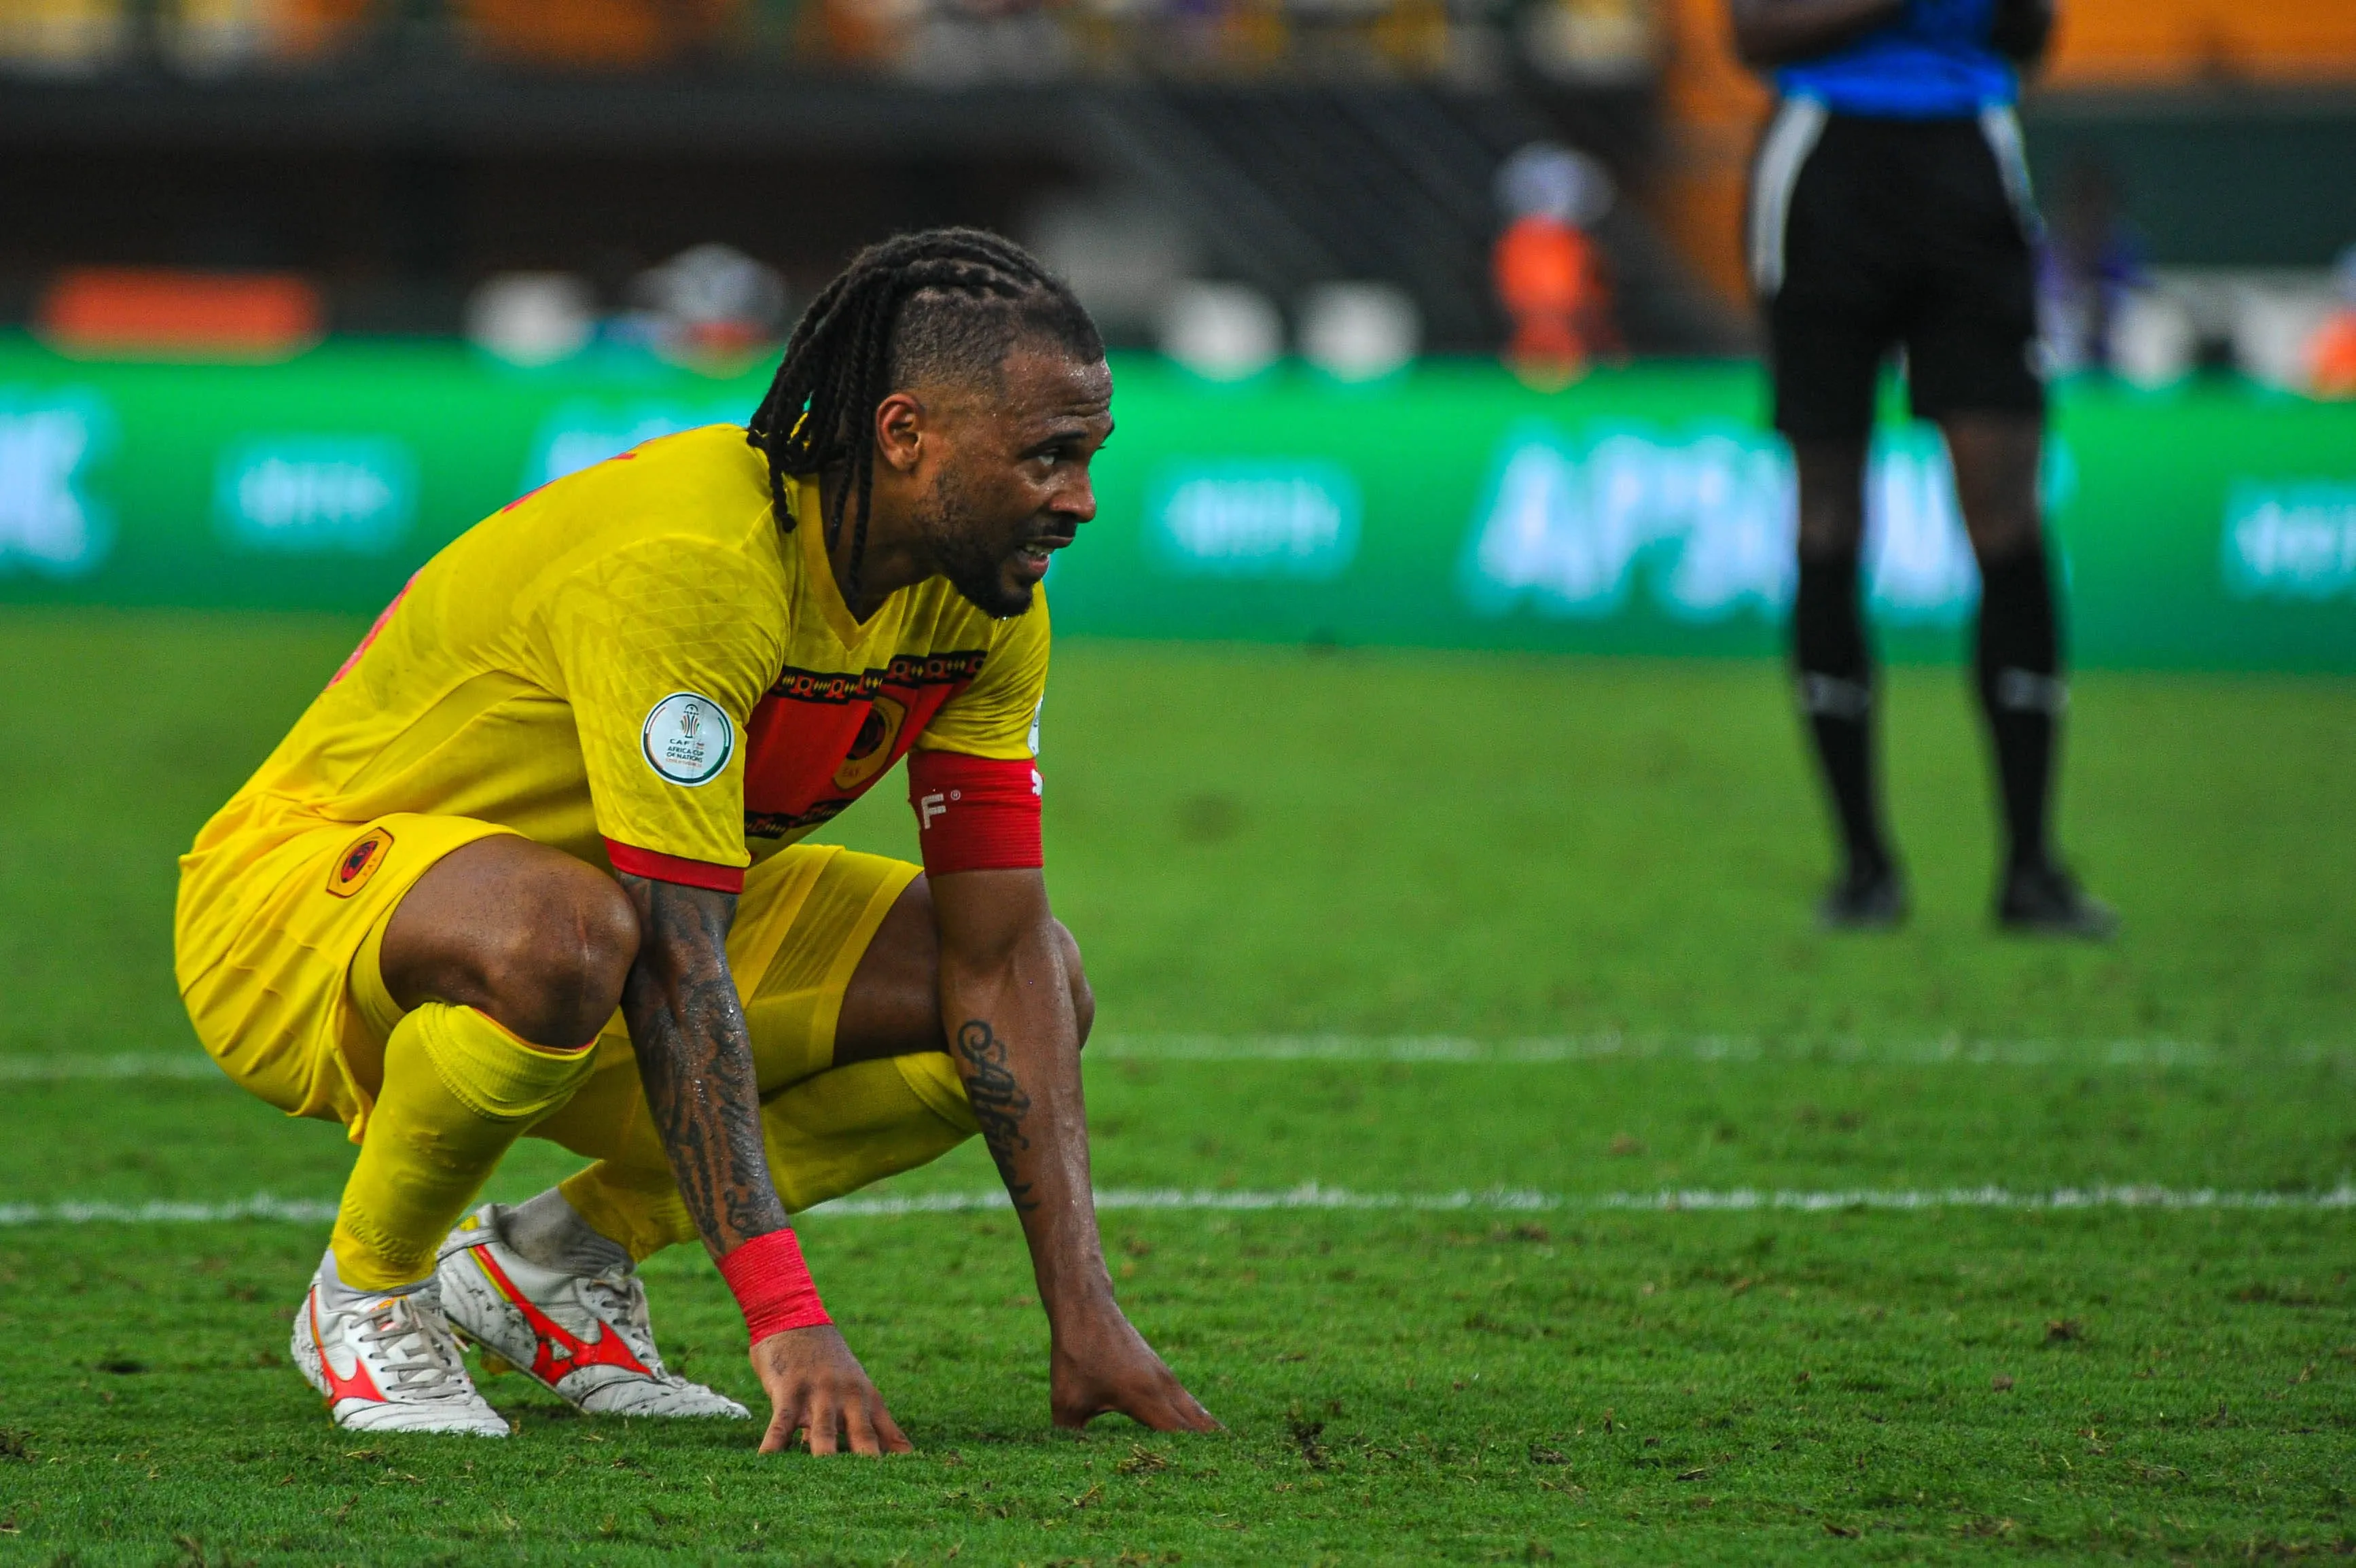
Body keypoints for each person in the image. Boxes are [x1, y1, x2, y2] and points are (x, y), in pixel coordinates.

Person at [173, 228, 1219, 1450]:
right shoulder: (697, 564)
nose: (1080, 498)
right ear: (903, 434)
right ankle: (370, 1288)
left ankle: (554, 1262)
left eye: (1089, 456)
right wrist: (787, 1319)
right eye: (1047, 455)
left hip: (622, 921)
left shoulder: (986, 606)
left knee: (1037, 982)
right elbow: (674, 961)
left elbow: (999, 954)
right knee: (572, 934)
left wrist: (1086, 1312)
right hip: (295, 906)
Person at [1731, 0, 2114, 934]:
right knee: (1827, 514)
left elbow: (2030, 37)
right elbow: (1753, 33)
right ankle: (1863, 866)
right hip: (1828, 160)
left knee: (2007, 515)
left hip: (1964, 159)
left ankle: (2029, 867)